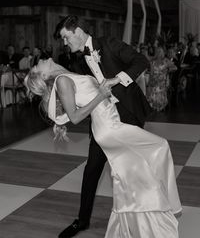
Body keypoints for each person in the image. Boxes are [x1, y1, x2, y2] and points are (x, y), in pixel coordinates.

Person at [25, 58, 182, 238]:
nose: (41, 60)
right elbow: (75, 117)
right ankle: (159, 209)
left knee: (132, 175)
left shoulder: (64, 75)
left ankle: (135, 224)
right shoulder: (62, 81)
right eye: (38, 65)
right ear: (44, 74)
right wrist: (100, 94)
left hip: (112, 123)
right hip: (109, 129)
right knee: (159, 147)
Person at [53, 14, 153, 237]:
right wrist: (61, 118)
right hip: (102, 121)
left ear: (77, 31)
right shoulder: (78, 60)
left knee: (129, 171)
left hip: (128, 115)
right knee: (91, 171)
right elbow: (78, 92)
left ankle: (138, 217)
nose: (65, 43)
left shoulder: (108, 43)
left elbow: (141, 61)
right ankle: (82, 221)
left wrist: (117, 79)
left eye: (66, 37)